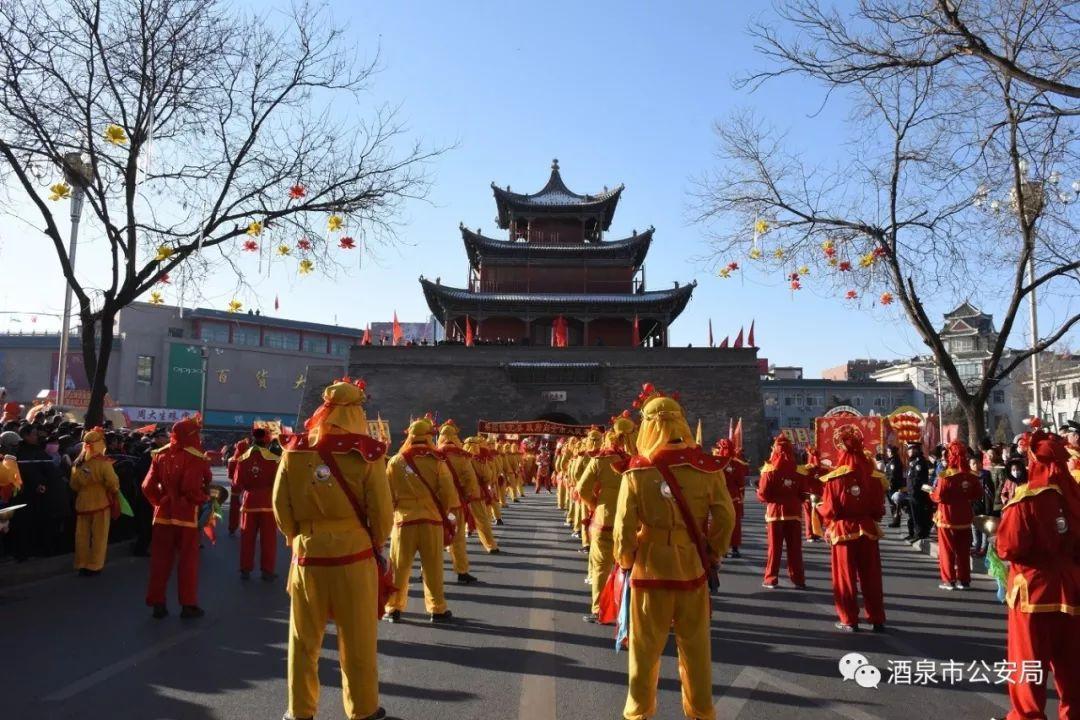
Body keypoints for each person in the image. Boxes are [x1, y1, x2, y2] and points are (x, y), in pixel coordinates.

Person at [273, 378, 393, 720]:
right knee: (357, 639)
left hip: (307, 553)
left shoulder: (293, 451)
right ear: (356, 412)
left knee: (302, 640)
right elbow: (381, 512)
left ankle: (300, 710)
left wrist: (298, 536)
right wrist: (377, 543)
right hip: (353, 554)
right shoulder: (367, 454)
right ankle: (363, 709)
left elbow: (281, 506)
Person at [614, 383, 735, 720]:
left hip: (649, 568)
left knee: (643, 650)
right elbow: (726, 516)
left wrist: (625, 561)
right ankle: (701, 712)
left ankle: (638, 713)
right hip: (692, 568)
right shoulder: (706, 468)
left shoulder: (636, 471)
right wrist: (712, 552)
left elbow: (623, 528)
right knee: (696, 648)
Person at [995, 420, 1080, 720]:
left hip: (1032, 590)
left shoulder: (1025, 500)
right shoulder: (1075, 497)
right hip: (1071, 588)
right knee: (1073, 665)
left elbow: (1009, 547)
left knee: (1027, 663)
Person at [383, 414, 458, 624]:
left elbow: (387, 495)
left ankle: (393, 608)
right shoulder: (437, 461)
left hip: (403, 521)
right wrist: (442, 512)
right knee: (433, 567)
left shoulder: (396, 461)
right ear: (428, 437)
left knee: (399, 567)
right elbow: (448, 494)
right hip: (430, 521)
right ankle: (437, 609)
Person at [817, 426, 887, 632]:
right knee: (871, 577)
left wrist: (818, 508)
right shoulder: (874, 478)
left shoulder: (835, 479)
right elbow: (878, 510)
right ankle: (877, 618)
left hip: (843, 531)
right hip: (867, 529)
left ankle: (849, 619)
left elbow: (830, 509)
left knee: (845, 578)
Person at [142, 415, 212, 619]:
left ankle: (157, 602)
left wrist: (159, 502)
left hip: (162, 515)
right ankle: (188, 604)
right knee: (188, 562)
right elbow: (191, 489)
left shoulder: (159, 455)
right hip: (186, 516)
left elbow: (147, 486)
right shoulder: (195, 457)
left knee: (160, 561)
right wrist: (204, 498)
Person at [579, 412, 636, 623]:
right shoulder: (642, 460)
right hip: (635, 522)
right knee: (632, 566)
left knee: (601, 567)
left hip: (605, 519)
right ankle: (630, 610)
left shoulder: (600, 460)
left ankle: (600, 610)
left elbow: (582, 488)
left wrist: (596, 504)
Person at [928, 442, 984, 591]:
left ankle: (949, 580)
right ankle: (964, 580)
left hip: (946, 517)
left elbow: (939, 496)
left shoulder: (945, 476)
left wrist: (930, 493)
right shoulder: (971, 476)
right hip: (965, 517)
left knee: (946, 550)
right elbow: (978, 493)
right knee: (963, 550)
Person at [757, 434, 808, 589]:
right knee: (795, 549)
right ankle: (798, 579)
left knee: (774, 548)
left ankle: (771, 578)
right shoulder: (798, 471)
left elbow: (763, 493)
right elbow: (803, 493)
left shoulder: (769, 469)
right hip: (794, 512)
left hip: (775, 514)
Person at [69, 427, 120, 576]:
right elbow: (113, 483)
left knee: (81, 536)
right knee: (99, 536)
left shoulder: (77, 463)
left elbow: (73, 485)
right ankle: (95, 565)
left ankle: (81, 563)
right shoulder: (103, 463)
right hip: (101, 503)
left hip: (82, 503)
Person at [436, 420, 482, 583]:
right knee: (458, 539)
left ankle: (425, 572)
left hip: (435, 506)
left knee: (434, 542)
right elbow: (470, 479)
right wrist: (469, 495)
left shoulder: (432, 454)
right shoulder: (462, 456)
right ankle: (461, 572)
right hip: (455, 503)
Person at [235, 428, 281, 581]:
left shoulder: (242, 459)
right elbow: (279, 484)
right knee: (269, 540)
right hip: (268, 503)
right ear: (266, 440)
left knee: (247, 538)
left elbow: (236, 484)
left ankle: (245, 569)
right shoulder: (274, 460)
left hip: (249, 502)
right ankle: (267, 571)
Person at [462, 435, 500, 554]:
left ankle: (450, 544)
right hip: (476, 493)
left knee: (456, 518)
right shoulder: (480, 459)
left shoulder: (458, 458)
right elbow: (487, 476)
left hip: (458, 493)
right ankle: (490, 545)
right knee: (482, 519)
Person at [712, 437, 748, 558]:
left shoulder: (716, 463)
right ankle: (735, 548)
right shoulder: (737, 464)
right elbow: (741, 483)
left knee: (721, 523)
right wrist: (741, 497)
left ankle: (723, 548)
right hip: (734, 498)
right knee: (735, 524)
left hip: (720, 497)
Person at [905, 442, 933, 542]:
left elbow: (917, 479)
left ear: (916, 450)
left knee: (918, 513)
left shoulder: (919, 462)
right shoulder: (912, 461)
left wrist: (913, 490)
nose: (909, 451)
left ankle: (920, 533)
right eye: (908, 449)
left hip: (917, 493)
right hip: (912, 492)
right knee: (913, 514)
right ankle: (915, 533)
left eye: (911, 449)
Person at [884, 445, 905, 528]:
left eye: (889, 451)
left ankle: (896, 521)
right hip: (891, 485)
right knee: (893, 505)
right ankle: (895, 520)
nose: (887, 453)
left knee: (895, 505)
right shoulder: (891, 460)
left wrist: (889, 484)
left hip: (894, 486)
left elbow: (893, 476)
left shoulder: (894, 462)